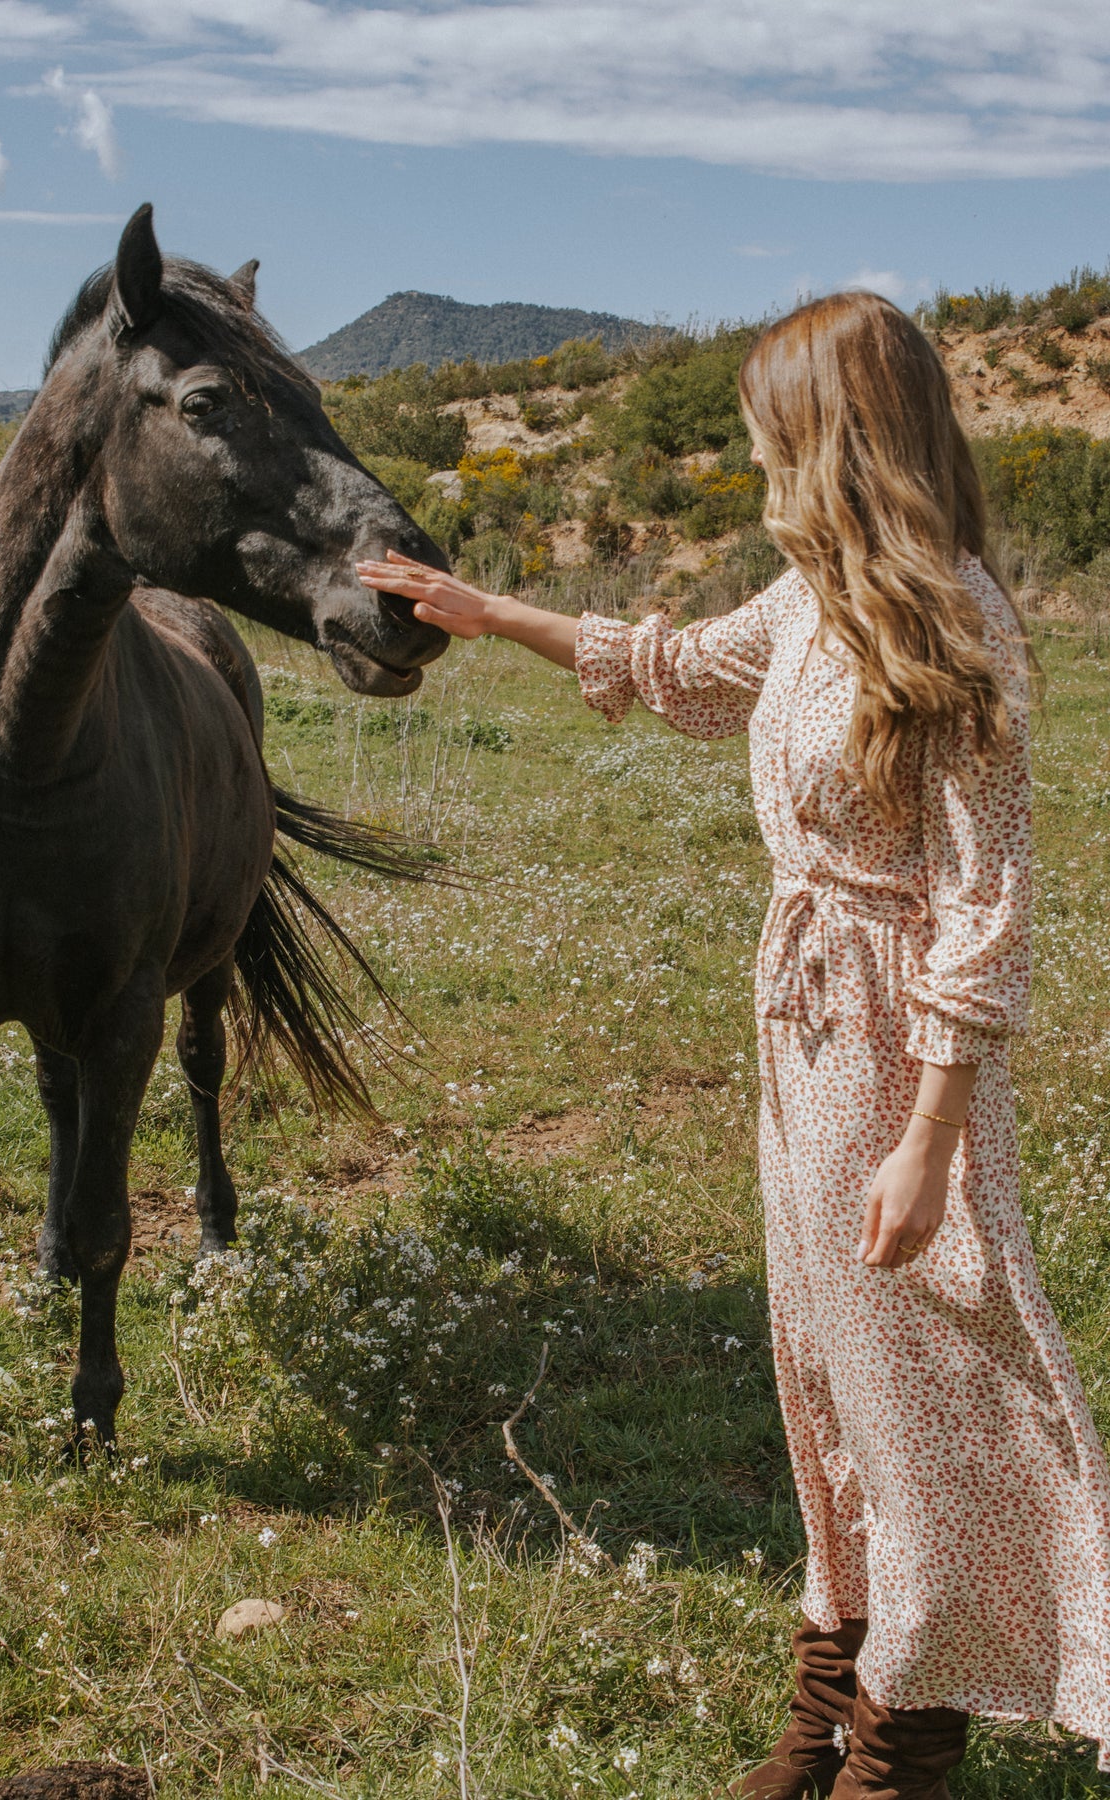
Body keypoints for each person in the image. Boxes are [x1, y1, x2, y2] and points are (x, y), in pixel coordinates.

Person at [357, 290, 1110, 1798]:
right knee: (824, 1370)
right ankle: (826, 1708)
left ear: (836, 438)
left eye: (774, 431)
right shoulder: (809, 598)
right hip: (805, 1039)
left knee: (928, 1391)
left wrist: (930, 1139)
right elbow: (679, 670)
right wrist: (493, 614)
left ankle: (909, 1743)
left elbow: (988, 902)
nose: (757, 456)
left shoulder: (950, 620)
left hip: (902, 1055)